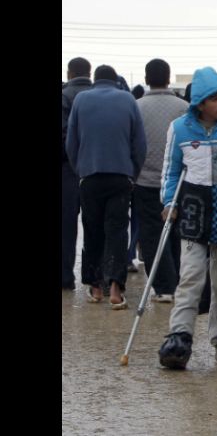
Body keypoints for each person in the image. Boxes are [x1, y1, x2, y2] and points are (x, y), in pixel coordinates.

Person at [157, 66, 217, 370]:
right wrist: (169, 201)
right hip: (194, 211)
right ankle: (179, 338)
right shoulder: (180, 129)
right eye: (214, 98)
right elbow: (171, 171)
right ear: (200, 102)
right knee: (190, 277)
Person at [66, 64, 147, 308]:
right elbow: (139, 143)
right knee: (117, 230)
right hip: (120, 177)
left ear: (95, 79)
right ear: (115, 81)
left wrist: (79, 169)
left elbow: (72, 140)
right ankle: (115, 288)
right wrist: (133, 172)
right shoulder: (128, 100)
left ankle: (95, 286)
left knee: (92, 230)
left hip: (90, 176)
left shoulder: (81, 99)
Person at [134, 58, 188, 303]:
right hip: (178, 182)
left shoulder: (136, 106)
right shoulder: (183, 107)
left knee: (152, 232)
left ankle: (164, 286)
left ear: (146, 79)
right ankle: (176, 279)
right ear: (168, 78)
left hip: (145, 180)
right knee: (177, 231)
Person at [62, 57, 92, 290]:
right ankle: (96, 279)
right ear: (89, 73)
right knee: (97, 223)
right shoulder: (101, 96)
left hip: (68, 169)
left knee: (67, 224)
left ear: (70, 73)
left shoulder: (64, 96)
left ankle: (65, 275)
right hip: (98, 167)